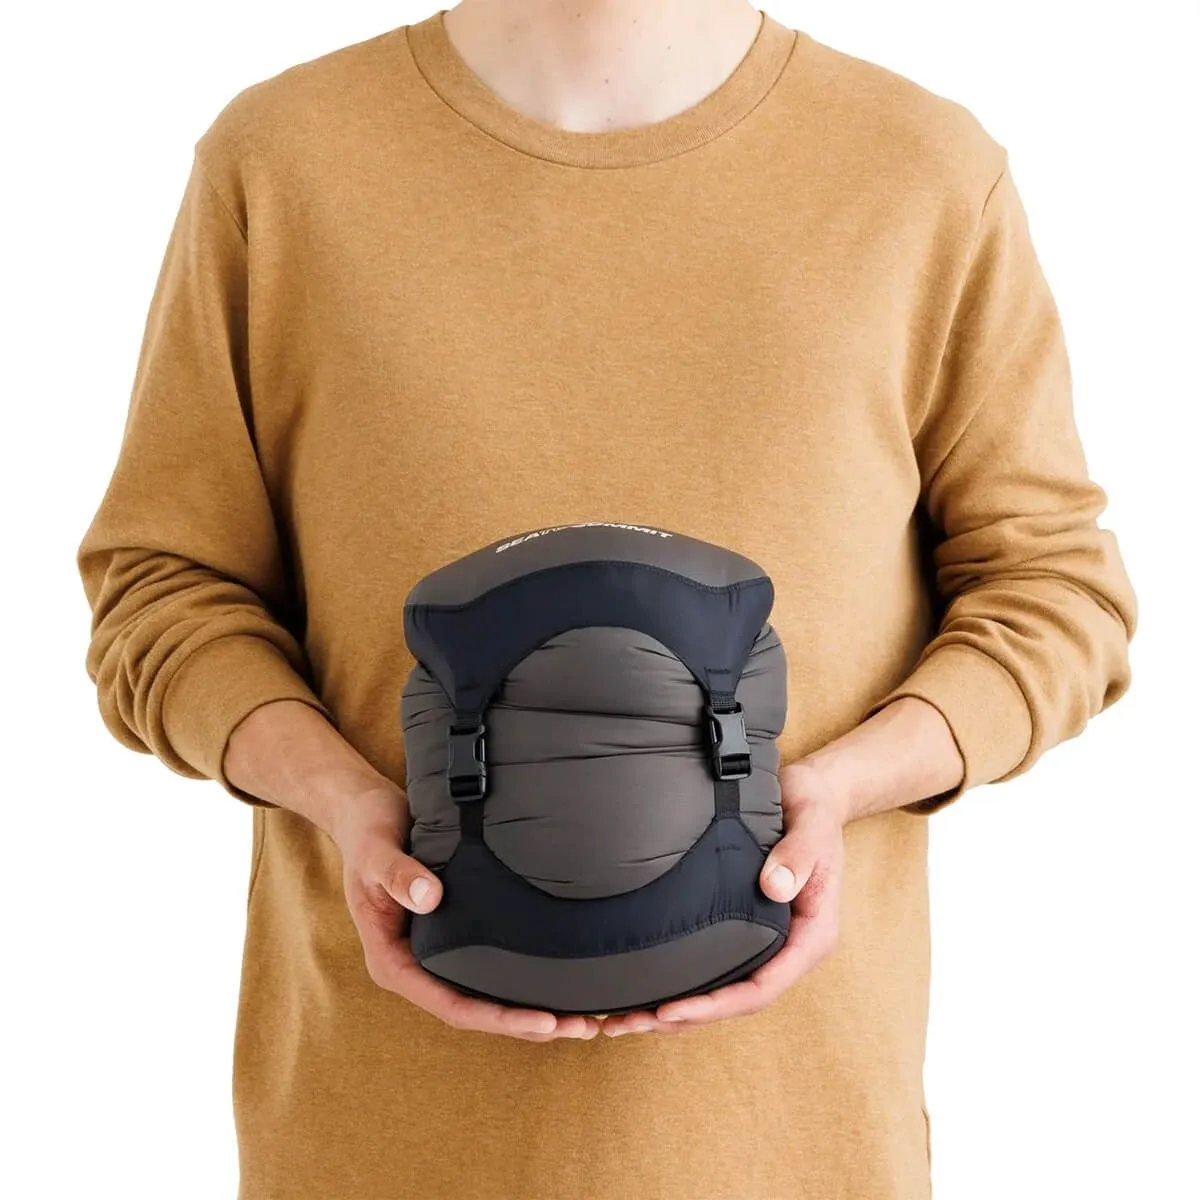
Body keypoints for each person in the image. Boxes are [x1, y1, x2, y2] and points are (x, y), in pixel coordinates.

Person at [75, 2, 1137, 1197]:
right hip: (378, 1141)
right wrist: (341, 800)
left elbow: (1052, 590)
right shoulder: (284, 161)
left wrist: (846, 787)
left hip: (792, 1147)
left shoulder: (920, 171)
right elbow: (166, 592)